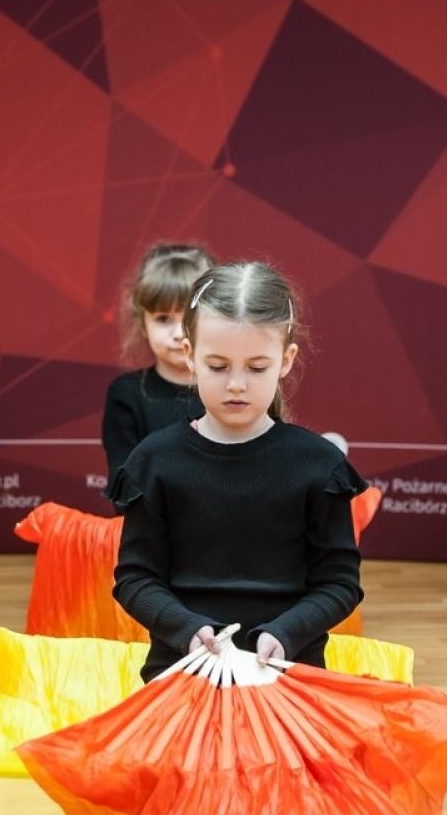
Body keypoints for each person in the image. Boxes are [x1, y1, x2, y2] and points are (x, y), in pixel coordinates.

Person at [111, 262, 365, 681]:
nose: (236, 384)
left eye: (256, 367)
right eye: (218, 365)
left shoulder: (319, 465)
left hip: (289, 678)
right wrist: (187, 630)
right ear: (190, 357)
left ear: (286, 361)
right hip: (183, 675)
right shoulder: (154, 461)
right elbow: (136, 578)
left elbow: (339, 584)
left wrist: (285, 633)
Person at [101, 243, 215, 481]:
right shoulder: (126, 395)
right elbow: (124, 489)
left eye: (190, 317)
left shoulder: (235, 387)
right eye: (163, 319)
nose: (178, 333)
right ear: (143, 323)